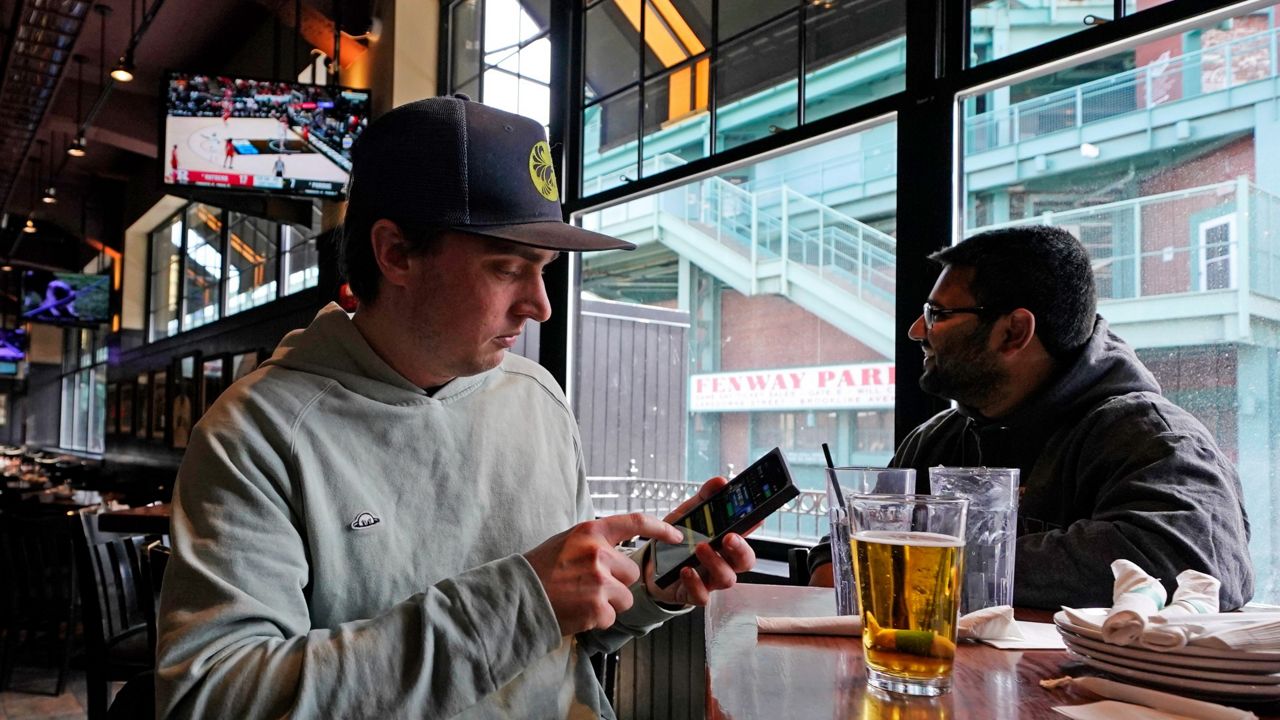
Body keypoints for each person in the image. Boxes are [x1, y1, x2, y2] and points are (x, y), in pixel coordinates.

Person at [155, 95, 756, 719]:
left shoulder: (538, 398)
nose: (540, 305)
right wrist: (521, 603)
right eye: (506, 269)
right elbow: (213, 697)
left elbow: (564, 632)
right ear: (395, 255)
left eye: (544, 270)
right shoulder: (255, 432)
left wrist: (649, 584)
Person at [808, 226, 1253, 610]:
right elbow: (845, 553)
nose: (917, 331)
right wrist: (837, 561)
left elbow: (1194, 561)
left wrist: (927, 566)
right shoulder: (935, 441)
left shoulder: (1151, 437)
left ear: (1015, 332)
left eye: (938, 314)